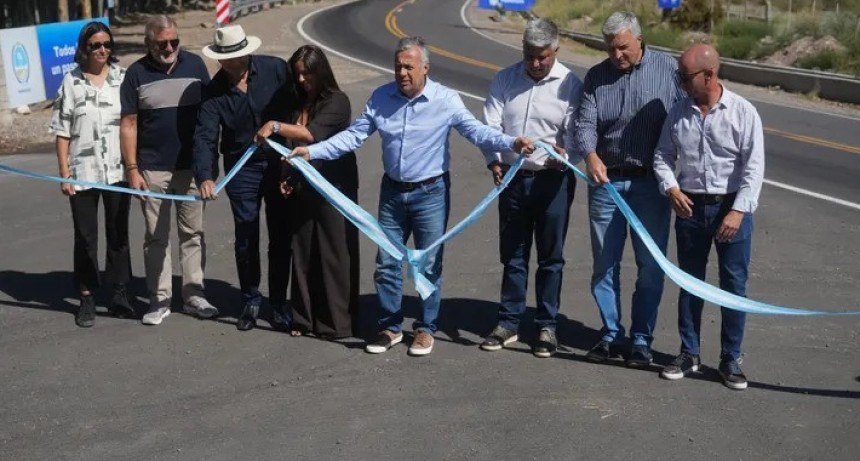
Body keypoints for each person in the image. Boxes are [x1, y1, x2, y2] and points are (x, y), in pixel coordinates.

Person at [291, 36, 534, 356]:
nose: (402, 73)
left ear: (425, 68)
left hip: (430, 193)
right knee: (386, 264)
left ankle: (425, 328)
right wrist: (312, 151)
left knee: (427, 266)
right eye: (398, 67)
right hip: (392, 192)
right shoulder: (381, 98)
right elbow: (353, 137)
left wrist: (511, 142)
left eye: (408, 67)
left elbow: (476, 131)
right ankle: (390, 327)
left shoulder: (445, 99)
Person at [570, 11, 684, 366]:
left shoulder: (668, 70)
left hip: (651, 183)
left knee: (650, 266)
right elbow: (584, 124)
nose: (616, 55)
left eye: (622, 47)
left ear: (639, 40)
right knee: (605, 264)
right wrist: (590, 155)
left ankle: (641, 339)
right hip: (607, 183)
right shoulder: (597, 76)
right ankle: (610, 334)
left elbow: (687, 115)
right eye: (610, 48)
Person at [653, 44, 764, 390]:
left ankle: (731, 358)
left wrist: (738, 210)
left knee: (733, 286)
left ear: (709, 75)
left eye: (685, 77)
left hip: (731, 209)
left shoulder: (743, 112)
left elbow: (754, 167)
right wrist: (671, 188)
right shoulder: (678, 112)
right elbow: (662, 155)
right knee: (691, 283)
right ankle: (689, 353)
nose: (680, 84)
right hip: (690, 207)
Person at [479, 19, 582, 358]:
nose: (535, 63)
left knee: (550, 257)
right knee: (513, 254)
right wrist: (494, 160)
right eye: (529, 55)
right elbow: (490, 125)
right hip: (512, 180)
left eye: (542, 56)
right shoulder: (505, 79)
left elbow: (578, 133)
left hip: (553, 182)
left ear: (556, 50)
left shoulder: (570, 85)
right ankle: (508, 322)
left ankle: (547, 326)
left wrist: (566, 155)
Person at [255, 45, 359, 339]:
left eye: (308, 74)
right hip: (303, 183)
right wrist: (286, 175)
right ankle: (303, 318)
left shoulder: (337, 101)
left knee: (332, 251)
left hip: (333, 185)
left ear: (320, 72)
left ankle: (335, 322)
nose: (302, 80)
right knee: (302, 250)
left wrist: (275, 126)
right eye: (298, 74)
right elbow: (292, 148)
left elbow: (312, 134)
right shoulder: (296, 103)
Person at [193, 24, 292, 331]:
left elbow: (298, 108)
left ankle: (279, 302)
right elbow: (205, 136)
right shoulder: (213, 91)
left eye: (237, 57)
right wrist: (205, 176)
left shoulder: (276, 70)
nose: (232, 63)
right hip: (241, 169)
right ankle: (250, 298)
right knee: (246, 236)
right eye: (225, 59)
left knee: (280, 234)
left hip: (279, 163)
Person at [120, 15, 216, 326]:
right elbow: (129, 124)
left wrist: (207, 169)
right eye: (163, 44)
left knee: (193, 234)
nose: (170, 48)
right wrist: (132, 169)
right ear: (148, 43)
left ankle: (194, 294)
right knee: (156, 237)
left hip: (191, 168)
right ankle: (159, 299)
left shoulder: (196, 66)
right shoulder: (136, 74)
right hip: (152, 169)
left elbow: (210, 116)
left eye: (174, 41)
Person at [50, 21, 135, 327]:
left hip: (117, 170)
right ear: (84, 48)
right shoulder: (70, 82)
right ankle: (86, 295)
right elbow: (62, 131)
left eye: (107, 44)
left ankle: (120, 293)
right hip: (82, 172)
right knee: (85, 237)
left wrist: (134, 166)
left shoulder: (123, 79)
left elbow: (132, 123)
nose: (102, 50)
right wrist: (64, 172)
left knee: (118, 233)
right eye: (95, 45)